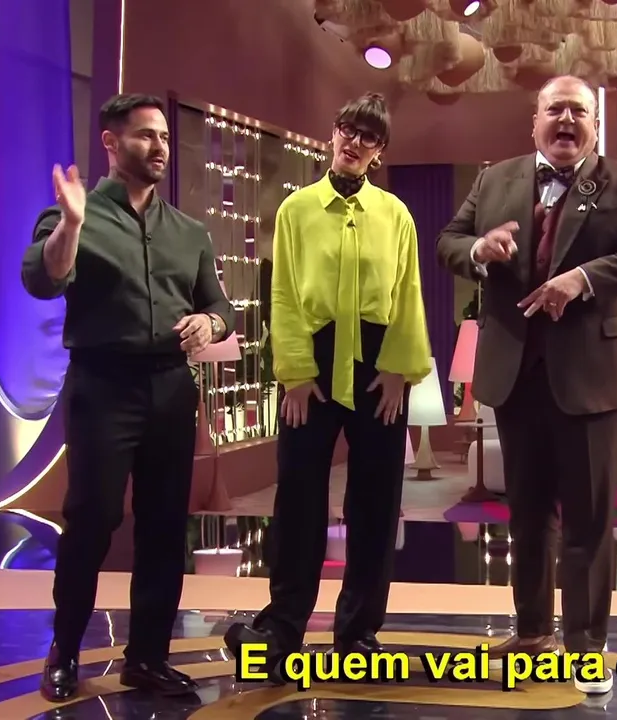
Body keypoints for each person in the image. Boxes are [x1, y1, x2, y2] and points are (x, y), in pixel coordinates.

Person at [435, 75, 617, 695]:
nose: (567, 120)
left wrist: (582, 279)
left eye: (579, 111)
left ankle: (587, 646)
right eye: (555, 109)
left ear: (595, 124)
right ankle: (533, 632)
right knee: (528, 514)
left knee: (588, 520)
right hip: (515, 374)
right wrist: (479, 249)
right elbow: (449, 242)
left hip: (594, 376)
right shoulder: (494, 179)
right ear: (534, 120)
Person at [22, 93, 233, 702]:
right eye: (146, 135)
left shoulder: (189, 231)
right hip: (102, 384)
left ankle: (148, 658)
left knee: (165, 526)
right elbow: (42, 279)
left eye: (164, 136)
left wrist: (211, 324)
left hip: (171, 388)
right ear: (111, 143)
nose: (160, 146)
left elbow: (219, 304)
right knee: (92, 520)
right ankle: (64, 652)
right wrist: (71, 225)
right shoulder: (72, 214)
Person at [223, 93, 431, 677]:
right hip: (311, 362)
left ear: (379, 151)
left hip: (379, 363)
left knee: (375, 501)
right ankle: (282, 627)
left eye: (368, 137)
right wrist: (294, 372)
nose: (354, 142)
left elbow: (409, 293)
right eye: (348, 130)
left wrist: (399, 369)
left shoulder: (396, 214)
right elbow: (283, 294)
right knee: (298, 496)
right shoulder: (296, 209)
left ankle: (359, 632)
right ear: (332, 133)